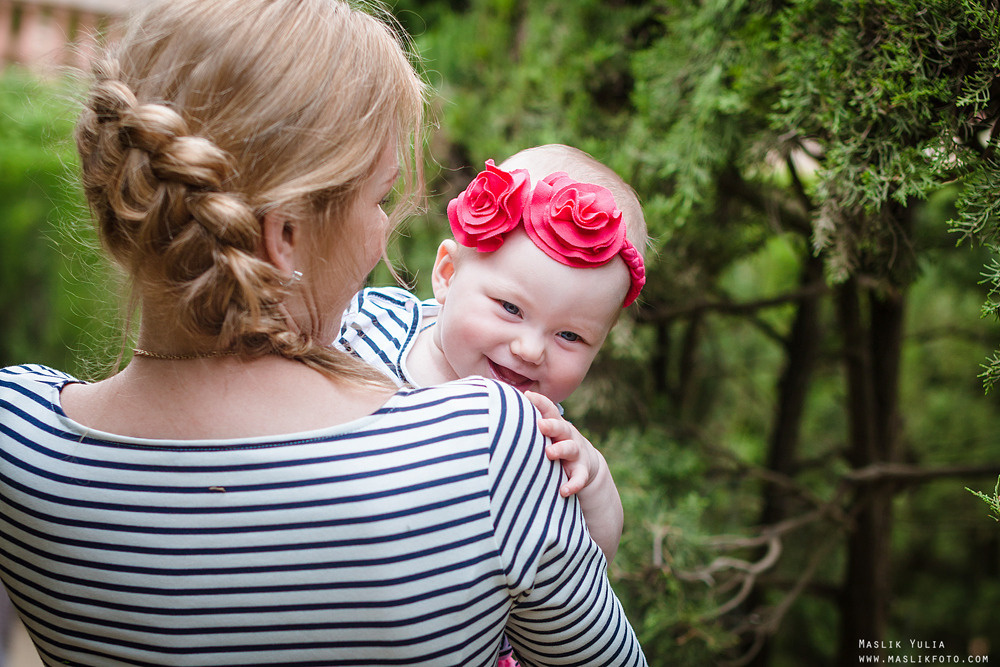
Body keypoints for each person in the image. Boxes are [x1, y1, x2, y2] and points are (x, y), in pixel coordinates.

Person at [0, 1, 648, 666]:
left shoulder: (18, 442)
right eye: (380, 199)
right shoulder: (490, 449)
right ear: (284, 237)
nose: (386, 230)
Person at [337, 144, 647, 667]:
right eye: (510, 308)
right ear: (447, 274)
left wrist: (592, 482)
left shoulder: (537, 435)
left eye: (570, 335)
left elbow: (593, 560)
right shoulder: (372, 321)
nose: (530, 349)